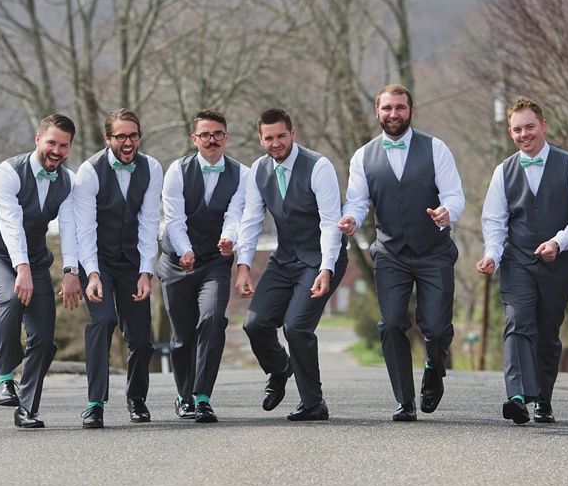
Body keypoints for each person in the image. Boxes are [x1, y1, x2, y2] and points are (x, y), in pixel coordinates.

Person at [339, 84, 465, 422]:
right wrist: (351, 218)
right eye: (387, 108)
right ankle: (404, 400)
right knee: (392, 322)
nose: (393, 114)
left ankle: (433, 368)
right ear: (377, 112)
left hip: (434, 250)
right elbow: (358, 199)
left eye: (399, 108)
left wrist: (446, 213)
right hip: (391, 252)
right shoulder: (363, 156)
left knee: (436, 329)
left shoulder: (436, 148)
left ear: (411, 110)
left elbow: (454, 195)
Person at [476, 96, 568, 425]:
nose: (524, 134)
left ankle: (543, 399)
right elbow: (494, 221)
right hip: (517, 261)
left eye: (530, 127)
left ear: (543, 126)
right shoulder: (504, 171)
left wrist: (560, 241)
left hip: (559, 264)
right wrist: (491, 254)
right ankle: (516, 396)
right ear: (509, 133)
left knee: (547, 333)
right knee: (517, 321)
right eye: (517, 129)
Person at [0, 114, 83, 429]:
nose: (56, 151)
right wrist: (22, 268)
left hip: (35, 260)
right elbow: (10, 224)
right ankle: (5, 378)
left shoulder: (69, 181)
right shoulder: (7, 173)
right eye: (51, 143)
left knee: (44, 338)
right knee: (11, 297)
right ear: (37, 140)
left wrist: (72, 270)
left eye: (64, 145)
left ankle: (27, 408)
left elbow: (70, 227)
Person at [235, 108, 348, 422]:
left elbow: (330, 224)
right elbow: (251, 220)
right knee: (254, 324)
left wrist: (326, 268)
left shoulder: (318, 167)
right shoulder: (258, 170)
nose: (275, 143)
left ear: (293, 134)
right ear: (260, 139)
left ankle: (314, 403)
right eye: (268, 138)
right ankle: (280, 368)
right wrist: (243, 266)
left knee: (296, 326)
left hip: (322, 257)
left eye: (281, 136)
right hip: (284, 259)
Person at [157, 109, 248, 423]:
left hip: (214, 263)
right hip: (176, 263)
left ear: (226, 137)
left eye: (218, 134)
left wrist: (228, 238)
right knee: (183, 335)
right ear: (194, 139)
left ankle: (202, 396)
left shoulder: (241, 174)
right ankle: (184, 397)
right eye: (205, 135)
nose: (212, 140)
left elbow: (236, 214)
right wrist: (184, 250)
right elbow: (174, 219)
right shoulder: (177, 171)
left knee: (211, 320)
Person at [74, 109, 163, 428]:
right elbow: (84, 228)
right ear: (108, 138)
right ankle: (95, 402)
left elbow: (149, 221)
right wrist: (93, 275)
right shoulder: (89, 171)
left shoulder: (151, 168)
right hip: (96, 259)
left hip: (132, 261)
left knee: (141, 338)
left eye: (134, 135)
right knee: (103, 321)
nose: (128, 142)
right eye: (121, 136)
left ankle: (136, 398)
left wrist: (145, 272)